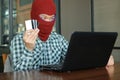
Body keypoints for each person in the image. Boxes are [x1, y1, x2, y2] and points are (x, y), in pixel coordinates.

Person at [9, 0, 114, 72]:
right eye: (44, 17)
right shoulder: (18, 40)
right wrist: (28, 49)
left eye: (51, 18)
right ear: (35, 16)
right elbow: (19, 75)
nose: (48, 22)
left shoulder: (58, 39)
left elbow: (75, 57)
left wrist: (100, 59)